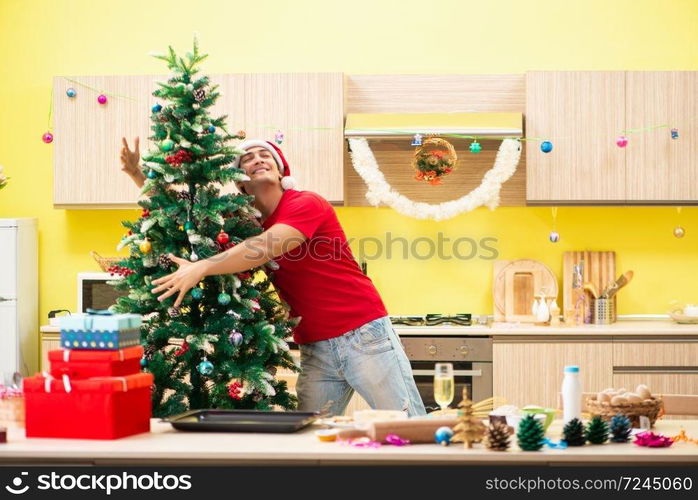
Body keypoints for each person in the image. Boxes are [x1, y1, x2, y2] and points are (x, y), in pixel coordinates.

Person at [120, 137, 426, 417]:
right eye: (247, 159)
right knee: (310, 433)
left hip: (362, 333)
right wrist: (138, 175)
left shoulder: (306, 203)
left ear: (281, 172)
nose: (257, 159)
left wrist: (201, 266)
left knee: (406, 424)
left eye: (265, 154)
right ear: (239, 183)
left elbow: (264, 247)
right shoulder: (246, 223)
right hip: (315, 345)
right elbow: (189, 211)